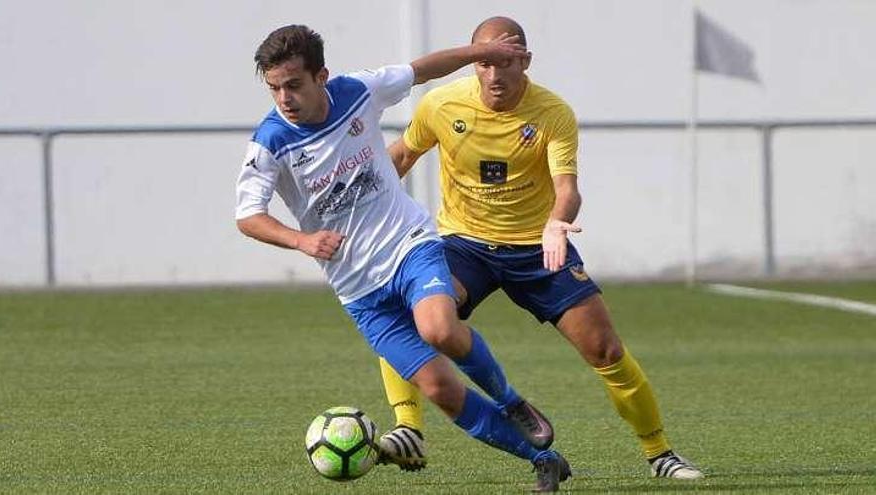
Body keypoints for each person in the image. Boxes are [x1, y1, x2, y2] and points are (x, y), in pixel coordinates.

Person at [234, 24, 572, 491]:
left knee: (438, 326)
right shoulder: (271, 140)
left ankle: (512, 401)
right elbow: (248, 216)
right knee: (441, 390)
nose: (284, 98)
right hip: (358, 290)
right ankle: (543, 458)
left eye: (294, 85)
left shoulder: (357, 91)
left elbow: (422, 70)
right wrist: (302, 241)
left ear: (322, 77)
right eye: (274, 88)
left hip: (408, 244)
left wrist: (482, 51)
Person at [378, 16, 704, 480]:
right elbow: (402, 157)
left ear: (524, 61)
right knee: (408, 314)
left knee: (605, 349)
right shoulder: (441, 104)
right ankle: (408, 427)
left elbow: (567, 188)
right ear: (472, 63)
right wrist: (359, 207)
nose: (494, 75)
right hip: (464, 244)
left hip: (538, 247)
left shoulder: (552, 112)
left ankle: (660, 454)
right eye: (484, 63)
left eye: (505, 62)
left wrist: (557, 223)